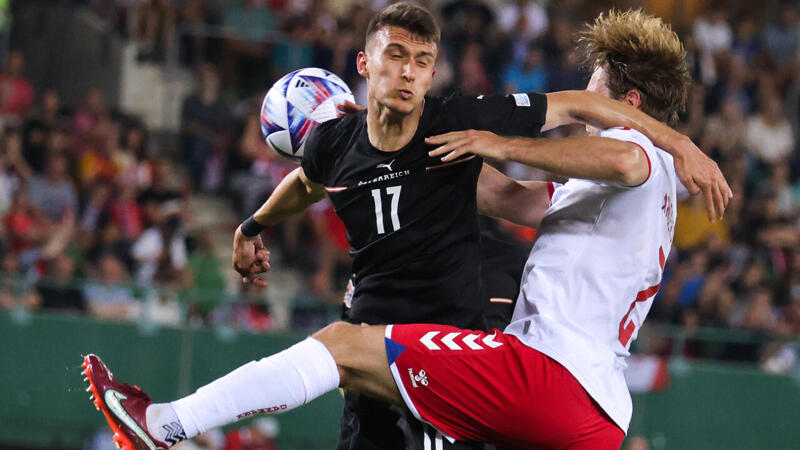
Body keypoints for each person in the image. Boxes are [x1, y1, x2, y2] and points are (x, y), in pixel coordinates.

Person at [82, 5, 731, 450]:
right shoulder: (603, 194)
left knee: (343, 346)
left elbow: (621, 156)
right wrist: (378, 147)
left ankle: (164, 424)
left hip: (550, 377)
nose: (583, 99)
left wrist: (491, 136)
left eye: (596, 86)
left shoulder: (640, 156)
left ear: (630, 104)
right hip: (592, 417)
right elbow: (500, 192)